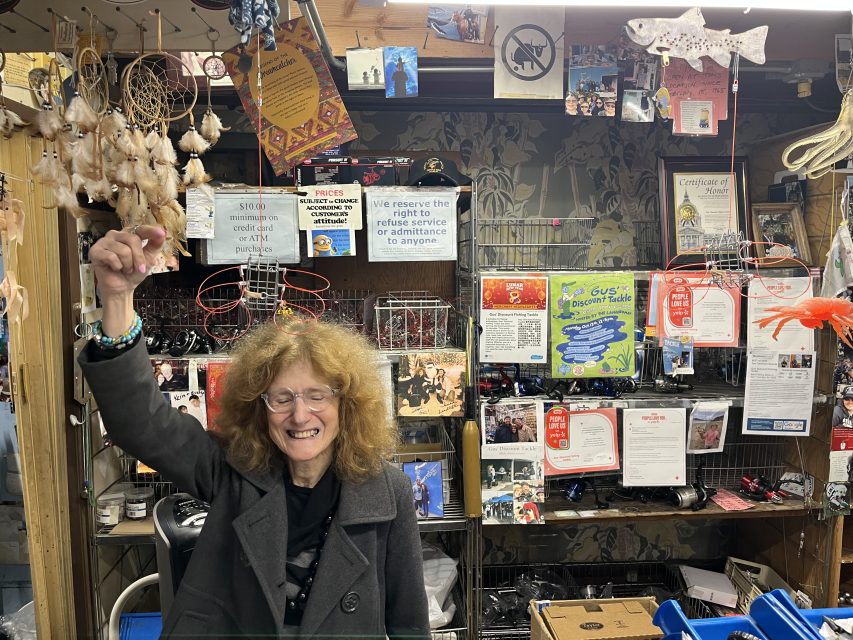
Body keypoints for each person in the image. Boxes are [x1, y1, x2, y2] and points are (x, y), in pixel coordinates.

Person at [78, 225, 429, 639]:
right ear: (258, 407)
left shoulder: (388, 491)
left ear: (345, 403)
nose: (300, 416)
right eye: (281, 398)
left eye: (318, 396)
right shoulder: (232, 470)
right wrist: (117, 298)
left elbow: (409, 624)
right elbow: (142, 423)